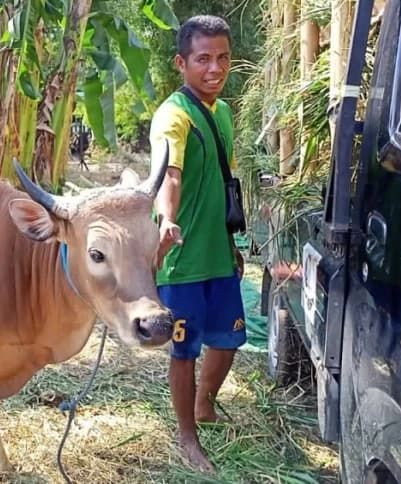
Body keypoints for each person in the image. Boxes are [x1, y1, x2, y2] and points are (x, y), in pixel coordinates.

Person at [150, 15, 246, 474]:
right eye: (203, 58)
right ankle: (187, 438)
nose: (215, 68)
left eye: (223, 57)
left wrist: (231, 243)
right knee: (184, 350)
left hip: (218, 253)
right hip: (183, 255)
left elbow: (221, 183)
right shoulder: (173, 115)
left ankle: (204, 406)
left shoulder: (223, 112)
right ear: (181, 63)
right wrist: (166, 219)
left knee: (228, 341)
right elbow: (173, 173)